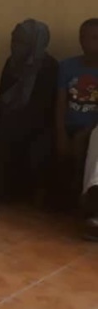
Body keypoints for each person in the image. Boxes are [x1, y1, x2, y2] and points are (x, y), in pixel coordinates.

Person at [0, 19, 57, 201]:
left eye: (21, 42)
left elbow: (40, 109)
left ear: (35, 43)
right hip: (9, 113)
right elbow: (2, 95)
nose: (14, 46)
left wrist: (1, 117)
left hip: (34, 121)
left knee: (1, 132)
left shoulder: (48, 68)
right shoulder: (12, 63)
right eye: (13, 40)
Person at [56, 18, 98, 215]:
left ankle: (82, 199)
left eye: (96, 38)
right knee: (60, 150)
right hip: (69, 124)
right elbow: (60, 103)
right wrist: (61, 133)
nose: (90, 43)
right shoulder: (67, 66)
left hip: (92, 128)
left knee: (83, 146)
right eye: (87, 37)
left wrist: (87, 132)